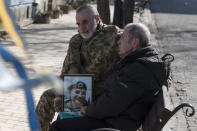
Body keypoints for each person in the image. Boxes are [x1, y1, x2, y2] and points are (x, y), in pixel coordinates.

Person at [48, 23, 167, 131]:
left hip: (112, 124)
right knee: (63, 116)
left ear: (134, 43)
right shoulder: (139, 63)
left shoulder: (138, 69)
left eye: (123, 38)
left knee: (57, 127)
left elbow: (114, 103)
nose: (118, 42)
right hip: (114, 119)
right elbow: (114, 97)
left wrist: (88, 110)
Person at [36, 5, 122, 131]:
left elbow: (134, 42)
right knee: (47, 97)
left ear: (97, 18)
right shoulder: (75, 41)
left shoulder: (113, 34)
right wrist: (60, 93)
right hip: (76, 92)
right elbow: (65, 71)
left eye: (85, 22)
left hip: (100, 95)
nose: (81, 28)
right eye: (78, 24)